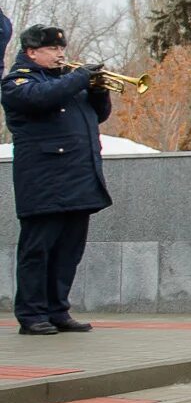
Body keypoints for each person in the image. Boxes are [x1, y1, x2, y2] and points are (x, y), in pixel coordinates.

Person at [4, 25, 112, 335]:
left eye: (61, 48)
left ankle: (57, 309)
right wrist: (79, 79)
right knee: (38, 251)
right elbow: (40, 99)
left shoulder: (66, 82)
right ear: (32, 52)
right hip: (44, 183)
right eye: (52, 49)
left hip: (78, 180)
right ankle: (32, 313)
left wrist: (98, 91)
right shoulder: (18, 83)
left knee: (68, 252)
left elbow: (96, 115)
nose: (60, 53)